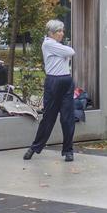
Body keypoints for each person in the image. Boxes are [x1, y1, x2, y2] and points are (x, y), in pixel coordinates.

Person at [24, 19, 77, 162]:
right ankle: (35, 147)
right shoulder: (48, 44)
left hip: (66, 81)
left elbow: (68, 52)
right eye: (59, 31)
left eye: (62, 31)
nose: (62, 33)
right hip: (53, 82)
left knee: (67, 118)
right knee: (49, 118)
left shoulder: (57, 46)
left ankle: (68, 151)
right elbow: (71, 51)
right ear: (51, 33)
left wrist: (64, 51)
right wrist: (65, 51)